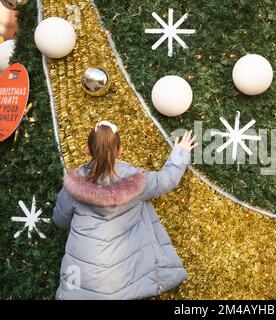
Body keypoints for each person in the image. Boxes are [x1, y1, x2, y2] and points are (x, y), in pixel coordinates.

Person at [52, 120, 197, 299]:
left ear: (87, 150)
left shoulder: (72, 187)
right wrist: (180, 152)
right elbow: (167, 179)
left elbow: (60, 221)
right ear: (120, 151)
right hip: (122, 278)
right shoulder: (137, 182)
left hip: (79, 280)